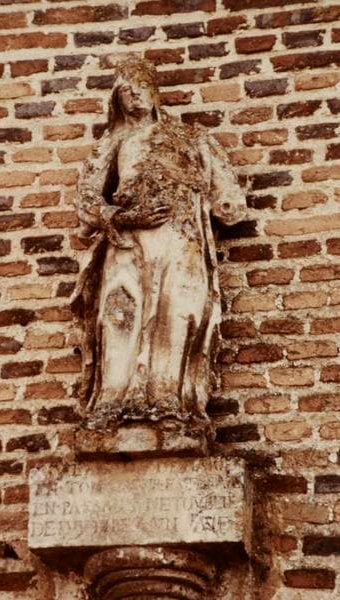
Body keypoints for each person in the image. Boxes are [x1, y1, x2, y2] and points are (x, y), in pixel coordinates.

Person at [71, 57, 246, 424]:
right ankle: (112, 399)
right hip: (127, 241)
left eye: (140, 86)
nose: (134, 94)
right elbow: (86, 200)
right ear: (116, 99)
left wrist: (205, 193)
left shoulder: (192, 138)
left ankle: (167, 396)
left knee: (178, 309)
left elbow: (230, 206)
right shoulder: (114, 140)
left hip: (180, 237)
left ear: (154, 92)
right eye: (125, 90)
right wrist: (121, 216)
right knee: (120, 310)